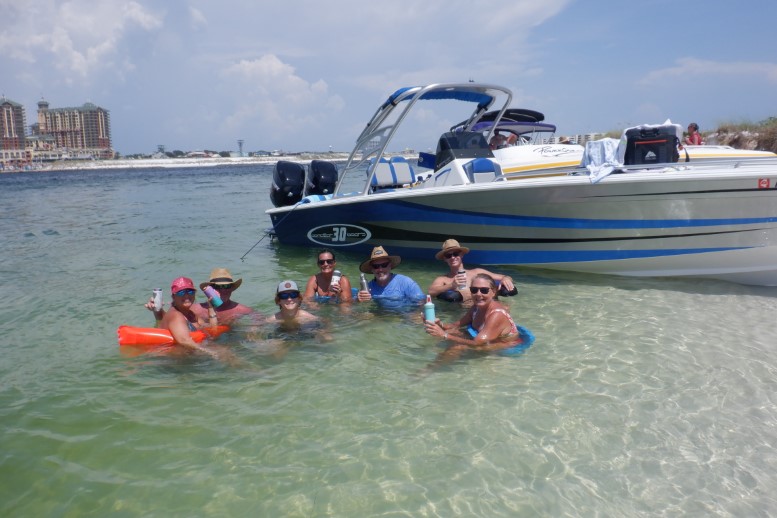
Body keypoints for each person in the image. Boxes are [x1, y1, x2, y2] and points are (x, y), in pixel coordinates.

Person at [422, 273, 524, 367]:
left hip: (505, 344)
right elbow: (455, 325)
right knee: (451, 332)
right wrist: (438, 324)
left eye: (484, 290)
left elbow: (477, 343)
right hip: (483, 337)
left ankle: (431, 370)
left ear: (493, 292)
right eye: (474, 290)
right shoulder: (476, 307)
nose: (478, 294)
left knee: (458, 347)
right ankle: (436, 360)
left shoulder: (496, 314)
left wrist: (444, 335)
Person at [146, 267, 256, 325]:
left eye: (227, 286)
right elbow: (168, 320)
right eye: (218, 287)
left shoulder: (242, 309)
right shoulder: (196, 309)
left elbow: (260, 320)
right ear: (209, 289)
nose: (223, 290)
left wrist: (254, 331)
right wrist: (157, 310)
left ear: (232, 288)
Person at [427, 239, 516, 303]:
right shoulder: (443, 279)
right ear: (444, 259)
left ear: (461, 255)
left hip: (487, 309)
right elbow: (431, 292)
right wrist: (451, 285)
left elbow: (505, 277)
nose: (453, 257)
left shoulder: (477, 272)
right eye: (448, 255)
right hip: (463, 313)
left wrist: (505, 279)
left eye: (456, 254)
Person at [159, 276, 221, 356]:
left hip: (188, 355)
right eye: (181, 292)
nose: (187, 295)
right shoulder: (175, 315)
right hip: (174, 360)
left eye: (190, 292)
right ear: (173, 296)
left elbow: (212, 328)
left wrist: (211, 308)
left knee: (224, 351)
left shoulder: (190, 314)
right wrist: (211, 352)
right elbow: (184, 340)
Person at [356, 246, 425, 307]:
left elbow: (422, 302)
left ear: (390, 266)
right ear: (372, 269)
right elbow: (354, 304)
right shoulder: (367, 288)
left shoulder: (406, 282)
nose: (380, 269)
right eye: (376, 266)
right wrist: (358, 300)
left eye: (384, 265)